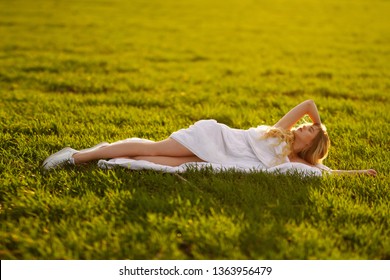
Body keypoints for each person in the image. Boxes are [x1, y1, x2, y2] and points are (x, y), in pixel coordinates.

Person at [42, 100, 377, 176]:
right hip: (214, 137)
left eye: (309, 131)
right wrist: (322, 125)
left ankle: (110, 158)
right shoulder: (280, 133)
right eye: (307, 126)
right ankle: (75, 156)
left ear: (311, 147)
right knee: (155, 148)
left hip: (219, 157)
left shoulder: (294, 160)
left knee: (162, 161)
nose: (303, 126)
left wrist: (359, 174)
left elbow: (325, 172)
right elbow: (308, 104)